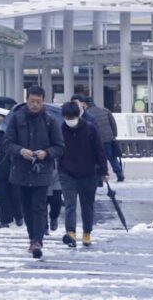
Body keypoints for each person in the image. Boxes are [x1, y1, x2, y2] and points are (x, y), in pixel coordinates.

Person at [4, 86, 64, 259]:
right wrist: (21, 151)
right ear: (27, 100)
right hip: (21, 170)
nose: (35, 105)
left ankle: (37, 240)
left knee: (39, 206)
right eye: (32, 101)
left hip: (42, 170)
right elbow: (7, 144)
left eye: (38, 101)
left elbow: (60, 146)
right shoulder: (16, 119)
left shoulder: (50, 121)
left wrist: (46, 153)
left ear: (43, 101)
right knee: (27, 207)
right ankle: (32, 238)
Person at [59, 101, 109, 247]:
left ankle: (87, 232)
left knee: (87, 205)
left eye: (72, 117)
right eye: (67, 117)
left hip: (88, 173)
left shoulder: (90, 128)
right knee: (70, 204)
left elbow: (99, 150)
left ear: (78, 115)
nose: (70, 120)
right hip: (67, 173)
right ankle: (71, 233)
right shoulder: (60, 129)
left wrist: (103, 171)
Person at [85, 96, 125, 182]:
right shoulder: (105, 110)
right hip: (108, 138)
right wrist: (114, 135)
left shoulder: (87, 114)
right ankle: (119, 174)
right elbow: (113, 124)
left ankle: (100, 177)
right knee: (112, 158)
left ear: (85, 104)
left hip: (96, 140)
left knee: (98, 159)